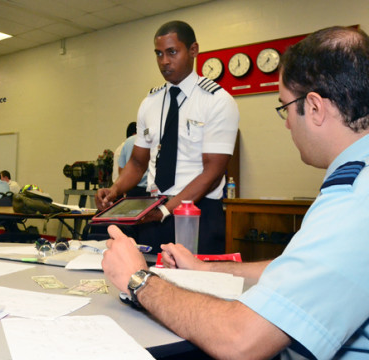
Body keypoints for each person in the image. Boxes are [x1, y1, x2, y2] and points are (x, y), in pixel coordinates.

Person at [102, 26, 369, 359]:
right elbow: (295, 268)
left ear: (314, 107)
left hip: (192, 212)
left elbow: (240, 341)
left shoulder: (355, 201)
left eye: (285, 107)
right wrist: (205, 270)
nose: (286, 123)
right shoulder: (356, 182)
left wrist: (137, 279)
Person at [95, 20, 239, 254]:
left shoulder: (217, 101)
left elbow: (212, 173)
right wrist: (114, 190)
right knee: (149, 282)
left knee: (195, 286)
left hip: (197, 213)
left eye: (172, 52)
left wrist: (167, 210)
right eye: (159, 54)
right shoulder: (150, 103)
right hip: (153, 212)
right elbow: (137, 162)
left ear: (193, 50)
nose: (164, 61)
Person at [117, 122, 149, 197]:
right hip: (149, 190)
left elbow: (121, 169)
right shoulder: (151, 140)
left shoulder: (128, 141)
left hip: (131, 189)